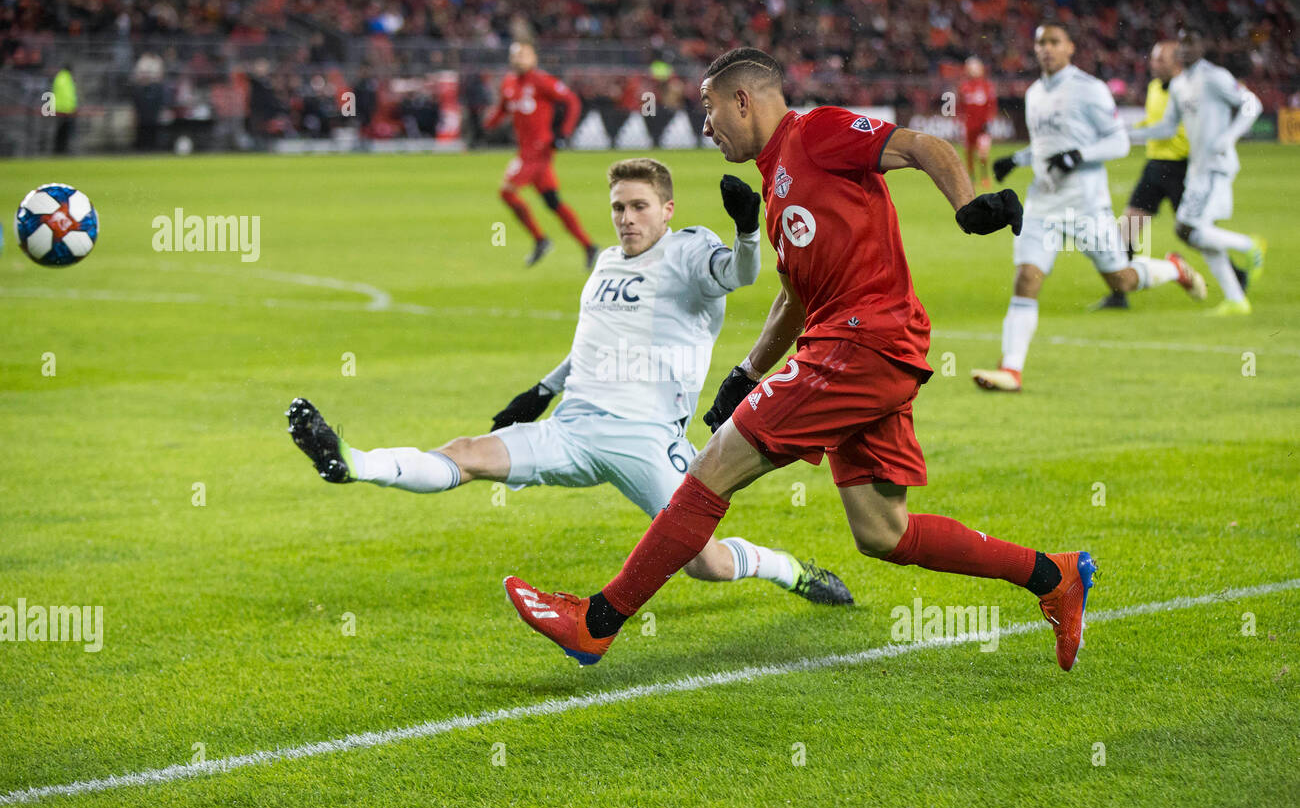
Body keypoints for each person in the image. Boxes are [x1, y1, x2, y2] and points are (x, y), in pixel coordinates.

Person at [504, 47, 1097, 673]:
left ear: (743, 100)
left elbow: (924, 146)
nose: (705, 125)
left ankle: (595, 623)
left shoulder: (817, 132)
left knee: (712, 467)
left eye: (709, 108)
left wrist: (965, 205)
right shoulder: (776, 179)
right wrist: (748, 372)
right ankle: (1053, 576)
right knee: (881, 532)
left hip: (862, 341)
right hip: (858, 346)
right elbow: (795, 294)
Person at [286, 157, 852, 607]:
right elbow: (593, 343)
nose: (627, 218)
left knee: (704, 562)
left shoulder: (689, 251)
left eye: (639, 207)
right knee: (466, 454)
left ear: (667, 209)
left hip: (647, 438)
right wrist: (541, 390)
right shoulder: (606, 261)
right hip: (574, 427)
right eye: (618, 208)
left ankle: (788, 570)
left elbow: (739, 273)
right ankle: (350, 461)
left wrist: (747, 229)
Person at [976, 23, 1205, 392]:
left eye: (1054, 42)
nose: (1047, 49)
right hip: (1042, 203)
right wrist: (1016, 160)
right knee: (1027, 277)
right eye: (1040, 43)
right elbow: (1046, 145)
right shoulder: (1035, 92)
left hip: (1085, 205)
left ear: (1070, 48)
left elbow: (1118, 142)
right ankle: (1011, 370)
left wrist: (1081, 155)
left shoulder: (1089, 90)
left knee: (1122, 280)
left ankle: (1173, 269)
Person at [1128, 28, 1266, 316]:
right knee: (1193, 232)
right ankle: (1236, 299)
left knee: (1189, 228)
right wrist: (1129, 133)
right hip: (1197, 169)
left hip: (1217, 166)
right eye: (1183, 44)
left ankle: (1249, 245)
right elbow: (1168, 126)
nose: (1187, 49)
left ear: (1202, 47)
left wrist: (1229, 137)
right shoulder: (1179, 85)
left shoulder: (1215, 77)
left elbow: (1253, 104)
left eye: (1193, 43)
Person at [1093, 41, 1192, 311]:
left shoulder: (1188, 90)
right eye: (1154, 59)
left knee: (1194, 233)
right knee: (1124, 230)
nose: (1154, 64)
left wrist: (1129, 133)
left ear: (1177, 62)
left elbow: (1168, 129)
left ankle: (1236, 275)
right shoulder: (1152, 88)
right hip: (1155, 167)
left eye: (1161, 60)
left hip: (1181, 168)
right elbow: (1153, 124)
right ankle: (1118, 293)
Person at [483, 41, 599, 269]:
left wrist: (563, 133)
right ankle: (588, 245)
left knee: (507, 192)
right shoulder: (509, 83)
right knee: (552, 202)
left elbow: (572, 102)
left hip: (538, 151)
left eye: (524, 54)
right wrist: (489, 124)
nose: (520, 59)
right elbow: (503, 109)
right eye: (516, 55)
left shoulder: (541, 80)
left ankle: (540, 239)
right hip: (526, 151)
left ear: (533, 57)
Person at [957, 56, 996, 188]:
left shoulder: (987, 86)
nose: (973, 70)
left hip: (983, 126)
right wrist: (959, 120)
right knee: (969, 152)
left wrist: (990, 120)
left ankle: (984, 177)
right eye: (970, 68)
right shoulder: (963, 87)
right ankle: (971, 177)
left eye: (975, 67)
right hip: (969, 126)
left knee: (983, 153)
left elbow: (992, 105)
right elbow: (960, 106)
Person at [51, 62, 77, 154]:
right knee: (64, 132)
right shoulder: (66, 78)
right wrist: (71, 107)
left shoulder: (60, 77)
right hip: (64, 109)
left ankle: (59, 150)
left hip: (61, 108)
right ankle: (61, 150)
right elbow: (67, 95)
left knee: (61, 131)